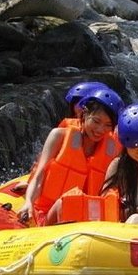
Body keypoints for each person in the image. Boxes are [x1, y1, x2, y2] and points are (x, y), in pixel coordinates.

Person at [17, 87, 124, 225]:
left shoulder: (113, 149)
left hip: (87, 219)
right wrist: (28, 202)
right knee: (67, 201)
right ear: (84, 114)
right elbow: (39, 176)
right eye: (96, 121)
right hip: (48, 215)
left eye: (108, 125)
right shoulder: (58, 136)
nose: (100, 130)